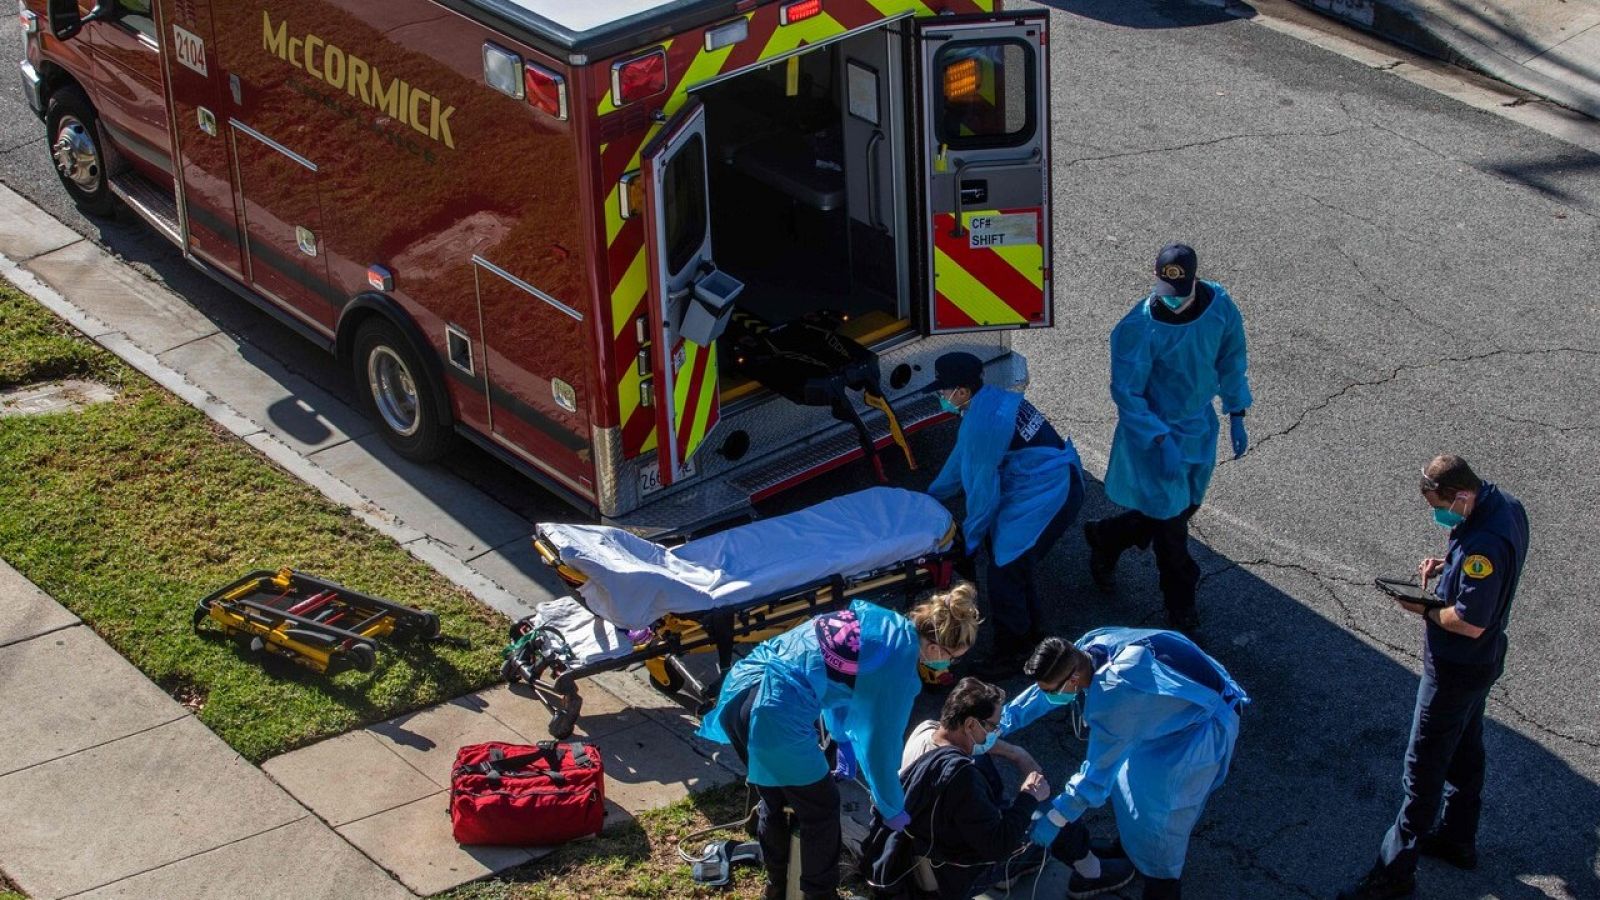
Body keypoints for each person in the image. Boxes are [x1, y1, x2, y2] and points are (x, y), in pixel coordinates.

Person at [698, 583, 982, 900]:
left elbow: (840, 688)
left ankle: (777, 888)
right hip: (775, 714)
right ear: (934, 649)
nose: (948, 665)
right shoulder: (899, 668)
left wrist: (843, 740)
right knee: (822, 809)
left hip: (742, 692)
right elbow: (880, 745)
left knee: (777, 799)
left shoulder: (877, 621)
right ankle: (819, 894)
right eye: (952, 658)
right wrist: (892, 805)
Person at [1337, 455, 1529, 900]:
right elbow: (1480, 571)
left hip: (1457, 667)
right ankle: (1459, 839)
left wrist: (1423, 606)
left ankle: (1394, 873)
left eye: (1439, 505)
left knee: (1421, 772)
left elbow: (1469, 620)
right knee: (1465, 750)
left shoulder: (1483, 545)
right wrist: (1449, 566)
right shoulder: (1505, 505)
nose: (1437, 514)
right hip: (1481, 665)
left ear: (1462, 495)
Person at [1002, 630, 1248, 900]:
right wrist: (1002, 721)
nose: (1048, 695)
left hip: (1197, 732)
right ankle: (1128, 850)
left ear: (1073, 679)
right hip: (1170, 709)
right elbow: (1042, 693)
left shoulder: (1115, 693)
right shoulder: (1088, 648)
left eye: (1053, 691)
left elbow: (1096, 775)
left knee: (1161, 819)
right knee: (1131, 787)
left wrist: (1056, 817)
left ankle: (1161, 885)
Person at [1083, 244, 1251, 633]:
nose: (1170, 299)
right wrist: (1159, 439)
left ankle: (1106, 537)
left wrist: (1237, 410)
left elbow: (1232, 356)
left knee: (1184, 505)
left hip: (1196, 430)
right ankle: (1181, 612)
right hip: (1154, 438)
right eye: (1164, 287)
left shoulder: (1219, 306)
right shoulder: (1138, 327)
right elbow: (1128, 393)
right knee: (1172, 535)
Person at [863, 677, 1135, 899]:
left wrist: (1015, 753)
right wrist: (1028, 796)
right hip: (955, 874)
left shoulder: (927, 733)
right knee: (1052, 816)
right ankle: (1090, 875)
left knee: (982, 760)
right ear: (970, 724)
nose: (995, 733)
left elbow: (978, 757)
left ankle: (1016, 871)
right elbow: (998, 845)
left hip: (928, 851)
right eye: (992, 726)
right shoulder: (960, 778)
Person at [924, 351, 1084, 677]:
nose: (942, 397)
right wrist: (929, 497)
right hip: (1056, 481)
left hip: (1046, 495)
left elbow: (983, 496)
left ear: (962, 392)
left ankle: (1012, 652)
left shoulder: (983, 423)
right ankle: (1035, 633)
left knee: (1004, 571)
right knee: (1014, 563)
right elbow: (961, 460)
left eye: (944, 391)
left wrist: (969, 541)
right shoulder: (991, 400)